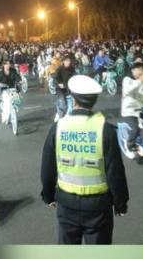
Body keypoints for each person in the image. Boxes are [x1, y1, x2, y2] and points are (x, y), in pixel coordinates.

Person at [40, 75, 129, 244]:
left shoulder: (58, 127)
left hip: (66, 204)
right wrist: (120, 203)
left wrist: (48, 195)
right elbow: (115, 172)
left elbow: (48, 167)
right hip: (98, 207)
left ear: (72, 100)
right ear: (94, 101)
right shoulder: (105, 130)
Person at [53, 56, 76, 121]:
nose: (68, 62)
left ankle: (67, 116)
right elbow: (55, 78)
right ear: (63, 62)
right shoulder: (59, 69)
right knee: (63, 103)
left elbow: (75, 76)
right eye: (67, 61)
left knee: (71, 105)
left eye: (69, 61)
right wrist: (59, 84)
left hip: (68, 88)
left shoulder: (72, 69)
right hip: (60, 89)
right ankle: (60, 117)